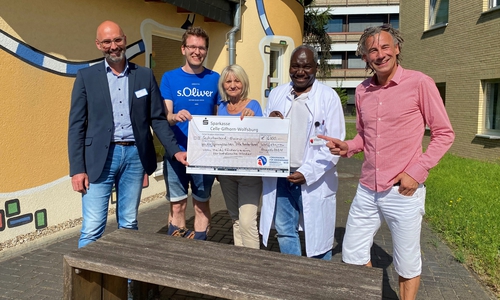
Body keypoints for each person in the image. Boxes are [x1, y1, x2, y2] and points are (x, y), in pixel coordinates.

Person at [319, 24, 454, 299]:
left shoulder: (420, 83)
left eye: (384, 47)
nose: (380, 54)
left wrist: (416, 171)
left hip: (403, 191)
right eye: (372, 50)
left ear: (397, 49)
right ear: (365, 58)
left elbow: (444, 133)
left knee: (407, 262)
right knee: (354, 255)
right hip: (368, 188)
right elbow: (364, 137)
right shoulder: (362, 91)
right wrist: (347, 146)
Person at [68, 21, 187, 248]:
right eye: (107, 42)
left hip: (134, 158)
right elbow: (76, 126)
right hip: (98, 160)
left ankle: (128, 283)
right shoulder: (86, 77)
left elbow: (157, 119)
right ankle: (86, 282)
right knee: (93, 227)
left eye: (117, 40)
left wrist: (175, 151)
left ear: (125, 39)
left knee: (129, 224)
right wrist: (77, 170)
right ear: (98, 44)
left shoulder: (144, 75)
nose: (113, 46)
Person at [259, 45, 346, 259]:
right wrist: (267, 123)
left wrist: (307, 173)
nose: (300, 71)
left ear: (316, 67)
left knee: (318, 236)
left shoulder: (328, 97)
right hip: (281, 176)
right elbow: (263, 133)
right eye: (296, 66)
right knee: (285, 231)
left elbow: (334, 146)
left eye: (306, 66)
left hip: (313, 179)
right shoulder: (278, 94)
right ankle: (292, 277)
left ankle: (318, 283)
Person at [159, 27, 220, 240]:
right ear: (183, 49)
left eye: (201, 48)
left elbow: (220, 117)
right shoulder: (169, 78)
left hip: (204, 154)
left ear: (206, 51)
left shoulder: (216, 79)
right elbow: (165, 115)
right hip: (177, 152)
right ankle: (178, 253)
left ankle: (200, 248)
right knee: (177, 205)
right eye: (192, 46)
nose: (197, 51)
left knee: (201, 205)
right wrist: (175, 116)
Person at [217, 64, 263, 249]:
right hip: (226, 173)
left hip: (249, 173)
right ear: (223, 85)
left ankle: (253, 266)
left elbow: (262, 137)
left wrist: (254, 118)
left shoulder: (254, 106)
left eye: (237, 80)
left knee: (247, 221)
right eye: (228, 81)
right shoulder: (220, 107)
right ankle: (239, 261)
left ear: (244, 82)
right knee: (235, 219)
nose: (233, 85)